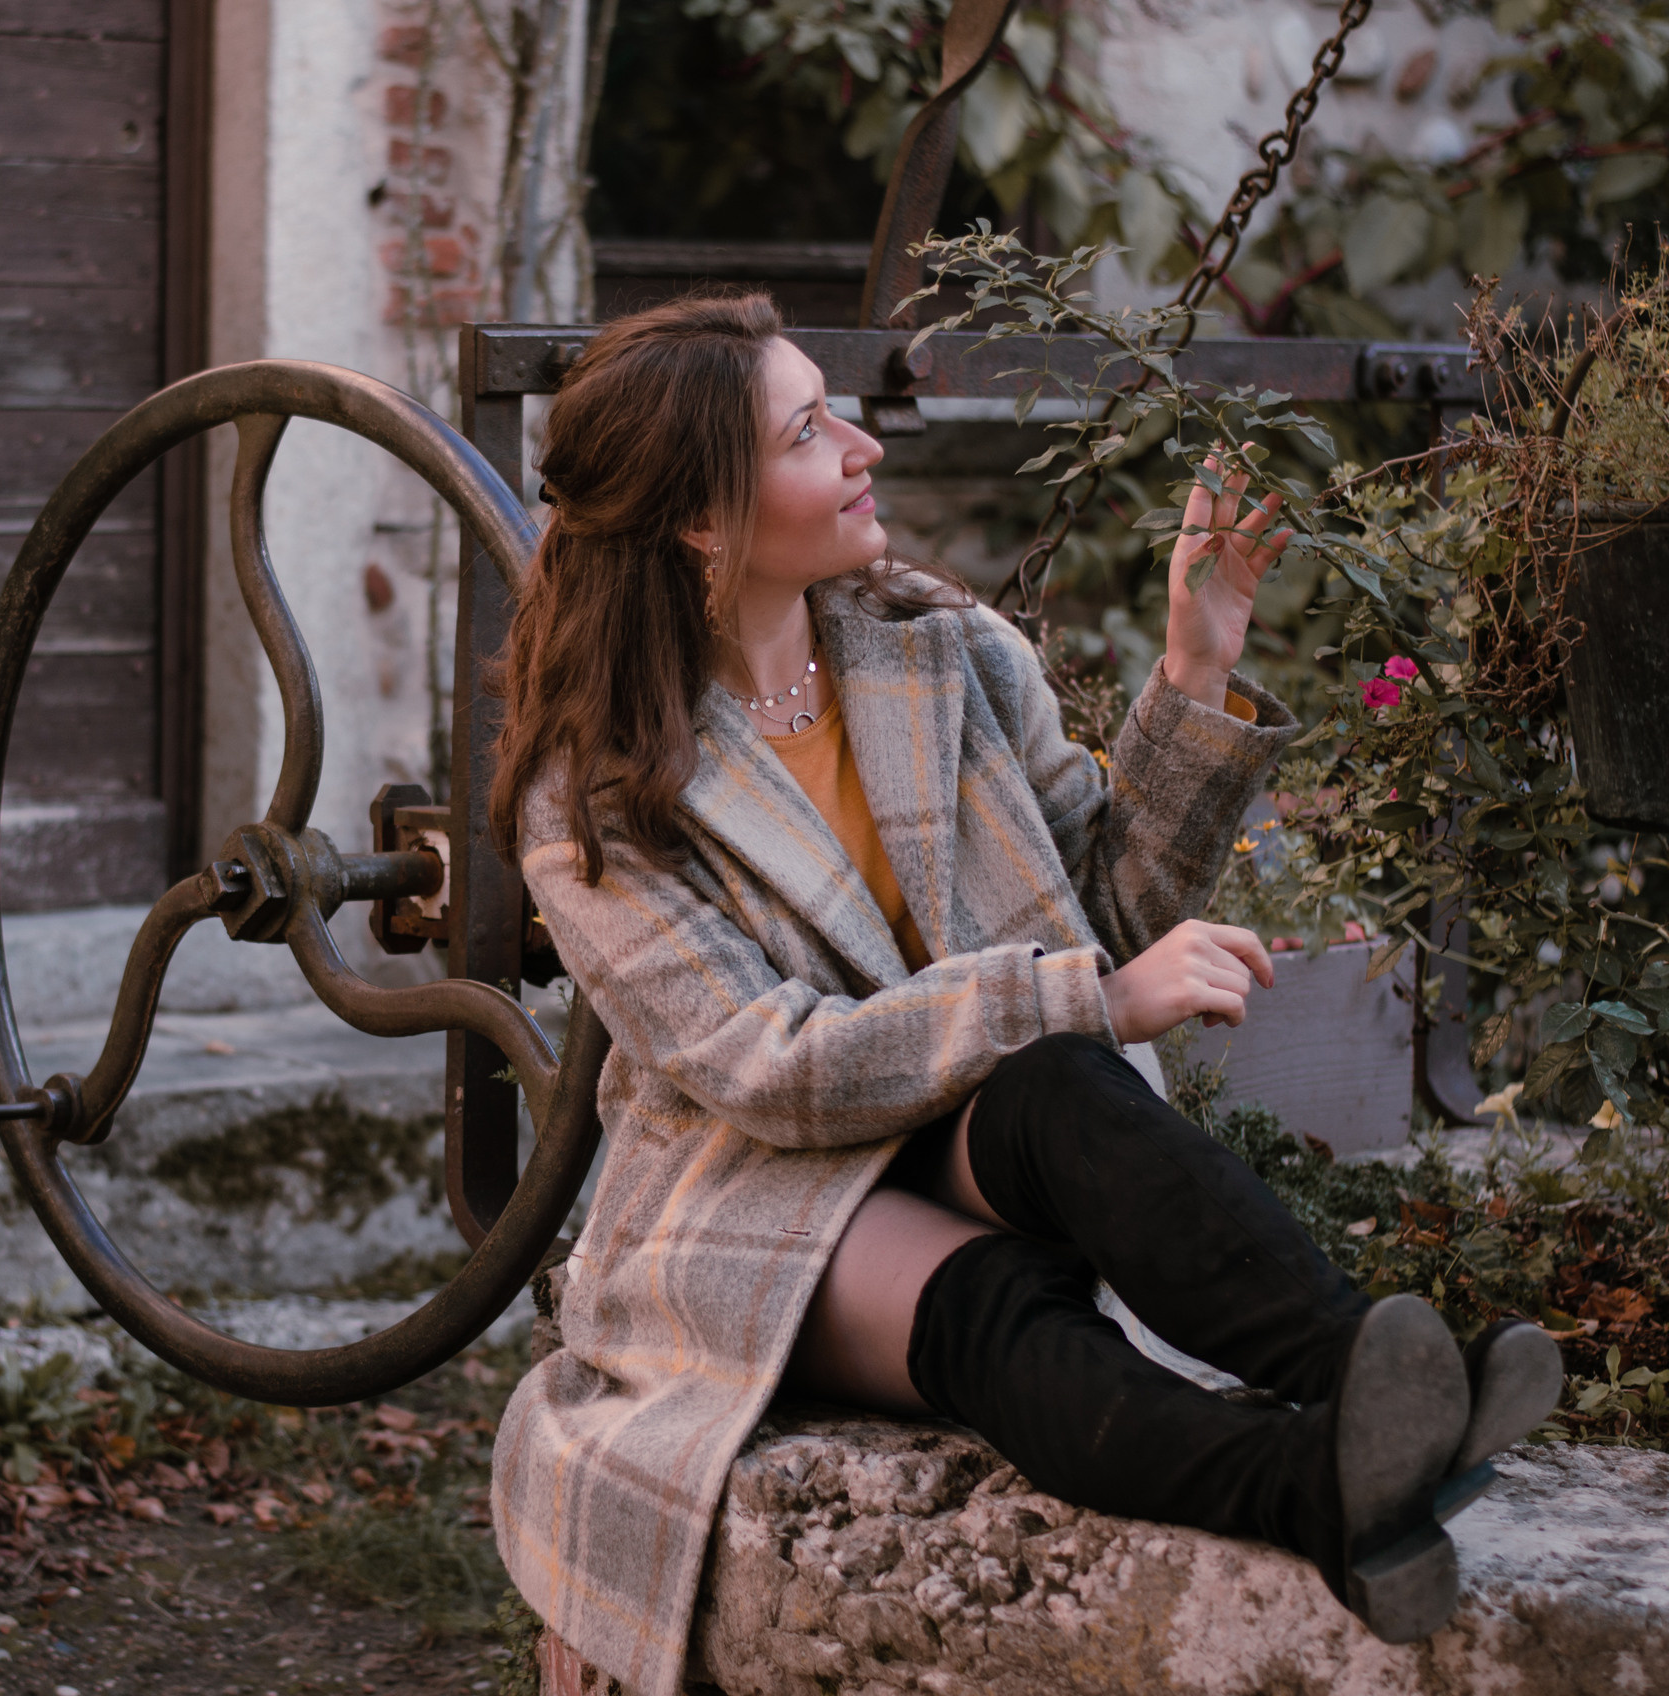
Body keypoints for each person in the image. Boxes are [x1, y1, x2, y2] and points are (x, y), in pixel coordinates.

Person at [484, 292, 1562, 1696]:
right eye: (811, 429)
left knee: (1056, 1080)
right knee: (993, 1300)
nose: (864, 445)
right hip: (751, 1189)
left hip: (969, 1120)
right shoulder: (599, 789)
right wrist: (1090, 1004)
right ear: (704, 516)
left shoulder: (940, 649)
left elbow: (1097, 917)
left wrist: (1197, 666)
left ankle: (1377, 1381)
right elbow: (761, 1064)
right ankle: (1313, 1488)